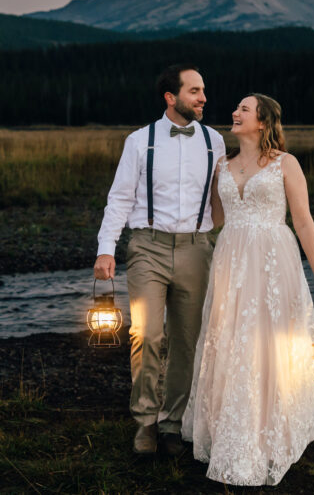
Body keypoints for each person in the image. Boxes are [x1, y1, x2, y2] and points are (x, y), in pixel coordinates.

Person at [181, 93, 314, 486]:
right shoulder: (222, 164)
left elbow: (304, 222)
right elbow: (216, 217)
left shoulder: (284, 164)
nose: (234, 113)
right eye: (236, 108)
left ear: (262, 121)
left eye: (243, 109)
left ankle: (267, 423)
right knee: (231, 338)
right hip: (231, 259)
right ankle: (229, 424)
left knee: (267, 339)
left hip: (273, 261)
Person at [94, 64, 226, 455]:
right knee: (146, 334)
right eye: (195, 91)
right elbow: (120, 197)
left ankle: (172, 423)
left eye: (203, 91)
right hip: (147, 247)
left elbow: (224, 196)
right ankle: (145, 422)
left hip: (196, 249)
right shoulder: (139, 141)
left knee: (187, 341)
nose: (203, 98)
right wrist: (106, 247)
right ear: (171, 97)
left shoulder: (214, 141)